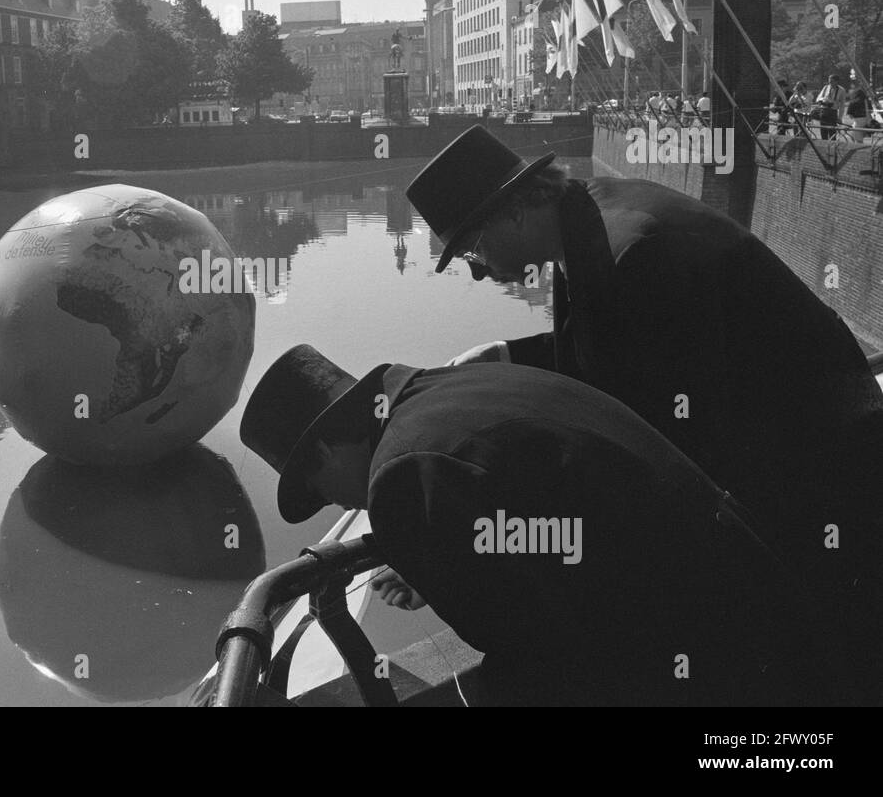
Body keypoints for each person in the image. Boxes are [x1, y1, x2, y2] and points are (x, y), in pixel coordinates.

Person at [404, 125, 883, 700]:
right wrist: (510, 355)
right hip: (809, 446)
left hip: (819, 474)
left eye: (472, 249)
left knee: (826, 664)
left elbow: (649, 437)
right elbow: (621, 350)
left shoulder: (633, 253)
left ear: (512, 214)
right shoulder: (596, 217)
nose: (478, 270)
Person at [240, 344, 840, 705]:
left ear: (324, 454)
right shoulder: (457, 387)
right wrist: (438, 560)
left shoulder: (402, 475)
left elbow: (524, 647)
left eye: (321, 493)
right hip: (767, 614)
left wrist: (429, 548)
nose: (348, 507)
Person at [815, 73, 847, 140]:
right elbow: (818, 98)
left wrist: (840, 117)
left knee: (832, 133)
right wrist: (823, 100)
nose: (830, 83)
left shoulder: (842, 90)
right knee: (823, 132)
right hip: (823, 111)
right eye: (829, 81)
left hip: (833, 112)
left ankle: (832, 148)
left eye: (832, 82)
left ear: (837, 81)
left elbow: (842, 105)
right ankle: (824, 147)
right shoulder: (826, 87)